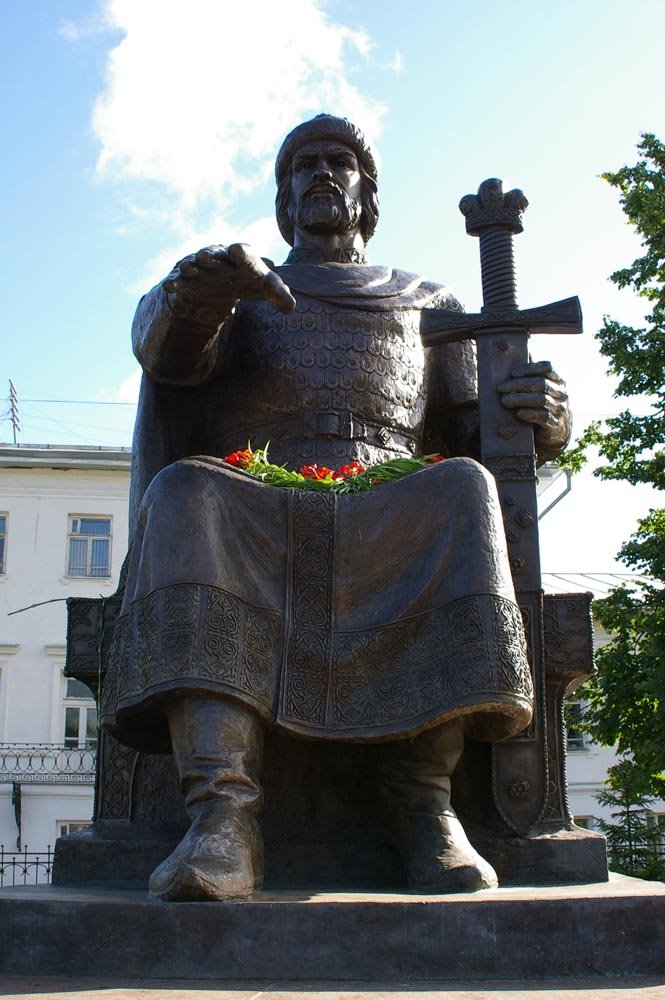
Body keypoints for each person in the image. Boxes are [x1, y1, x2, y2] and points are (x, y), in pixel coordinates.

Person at [100, 115, 571, 902]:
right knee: (185, 490)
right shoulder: (240, 289)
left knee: (463, 487)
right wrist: (196, 290)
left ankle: (421, 806)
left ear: (366, 193)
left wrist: (544, 417)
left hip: (393, 502)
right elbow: (169, 359)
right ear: (284, 198)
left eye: (341, 162)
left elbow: (476, 429)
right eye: (304, 165)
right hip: (256, 497)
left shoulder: (426, 300)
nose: (322, 173)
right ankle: (222, 818)